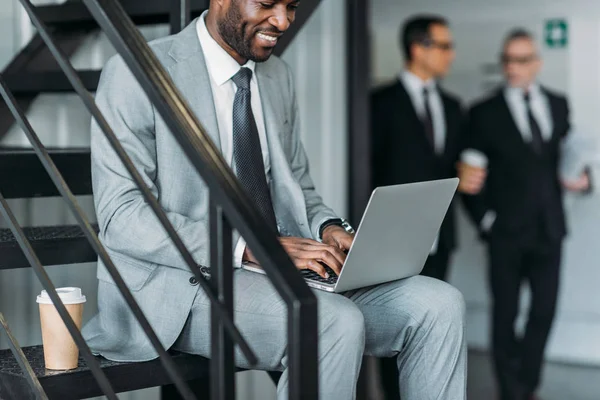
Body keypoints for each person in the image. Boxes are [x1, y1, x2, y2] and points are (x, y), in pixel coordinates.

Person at [82, 1, 467, 399]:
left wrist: (330, 228)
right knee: (328, 322)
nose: (282, 21)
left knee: (439, 304)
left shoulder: (277, 75)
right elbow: (122, 216)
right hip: (181, 283)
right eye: (267, 3)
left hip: (280, 270)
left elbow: (299, 187)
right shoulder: (137, 72)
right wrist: (253, 248)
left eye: (292, 6)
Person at [459, 29, 591, 400]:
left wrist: (585, 181)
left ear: (537, 62)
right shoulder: (483, 112)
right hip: (506, 233)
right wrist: (486, 220)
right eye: (507, 60)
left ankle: (528, 385)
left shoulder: (558, 104)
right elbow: (467, 176)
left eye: (520, 60)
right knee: (506, 314)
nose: (512, 68)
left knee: (544, 312)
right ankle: (510, 390)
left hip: (549, 229)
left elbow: (569, 156)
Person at [371, 16, 472, 400]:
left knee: (435, 322)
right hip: (392, 238)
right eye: (444, 46)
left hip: (441, 234)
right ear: (418, 48)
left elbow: (450, 167)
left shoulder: (452, 106)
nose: (451, 55)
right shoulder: (378, 103)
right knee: (395, 323)